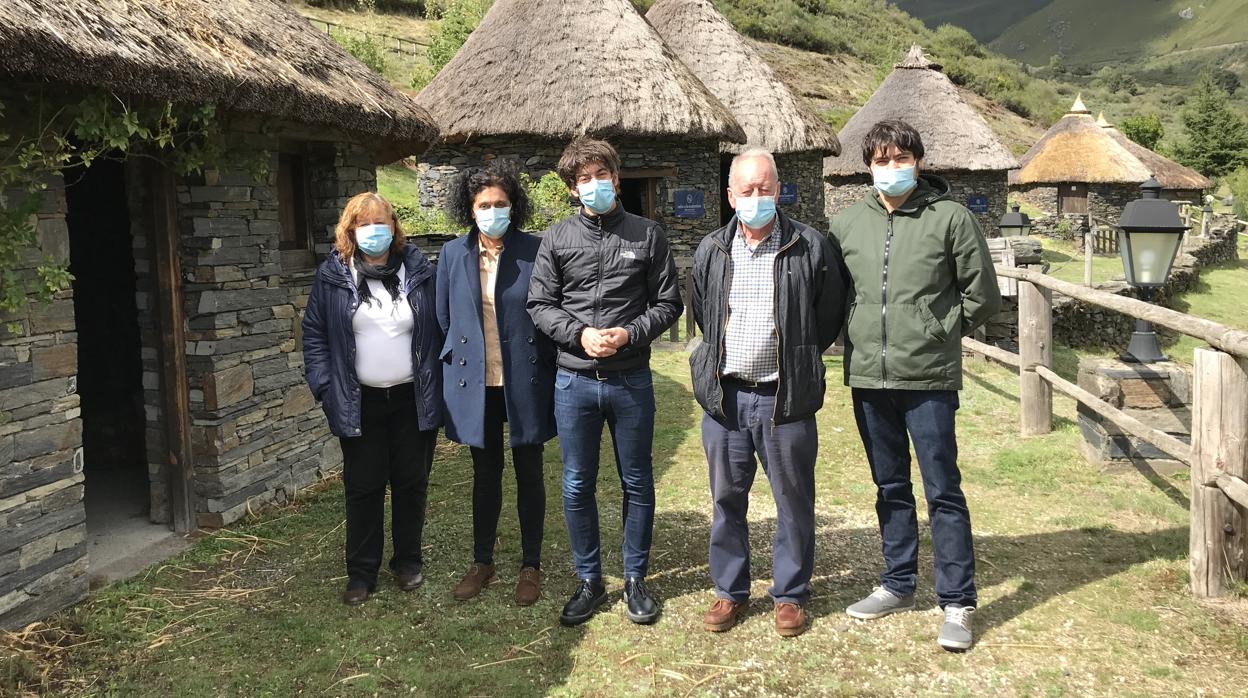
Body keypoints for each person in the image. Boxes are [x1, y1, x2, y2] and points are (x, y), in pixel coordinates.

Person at [830, 119, 1002, 651]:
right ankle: (897, 583)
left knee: (942, 490)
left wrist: (936, 331)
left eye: (901, 158)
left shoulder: (950, 218)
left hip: (928, 377)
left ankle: (957, 601)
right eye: (881, 161)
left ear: (919, 162)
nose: (892, 169)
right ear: (868, 166)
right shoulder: (847, 223)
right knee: (889, 486)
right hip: (868, 377)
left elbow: (983, 296)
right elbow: (834, 294)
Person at [689, 147, 847, 638]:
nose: (755, 197)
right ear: (730, 195)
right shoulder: (712, 249)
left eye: (764, 188)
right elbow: (701, 308)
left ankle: (791, 594)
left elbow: (828, 313)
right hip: (726, 398)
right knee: (726, 499)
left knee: (793, 499)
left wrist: (798, 355)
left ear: (778, 191)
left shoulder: (810, 246)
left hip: (786, 399)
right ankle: (729, 590)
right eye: (746, 190)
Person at [527, 137, 682, 627]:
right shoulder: (556, 239)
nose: (593, 185)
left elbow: (668, 302)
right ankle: (589, 579)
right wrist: (579, 334)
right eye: (583, 179)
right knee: (576, 484)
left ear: (616, 179)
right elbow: (539, 304)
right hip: (573, 383)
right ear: (573, 189)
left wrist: (629, 333)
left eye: (601, 176)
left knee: (637, 480)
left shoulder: (647, 235)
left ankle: (636, 578)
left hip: (631, 379)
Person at [302, 192, 443, 606]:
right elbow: (314, 335)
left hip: (411, 397)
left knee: (410, 481)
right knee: (363, 486)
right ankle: (362, 572)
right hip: (357, 398)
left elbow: (437, 326)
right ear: (350, 231)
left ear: (394, 227)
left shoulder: (418, 271)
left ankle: (407, 562)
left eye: (381, 223)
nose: (374, 231)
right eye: (364, 224)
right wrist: (326, 388)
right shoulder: (333, 276)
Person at [436, 160, 556, 607]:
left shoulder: (536, 250)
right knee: (484, 474)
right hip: (475, 381)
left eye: (500, 203)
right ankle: (482, 561)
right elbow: (443, 319)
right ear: (471, 209)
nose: (492, 211)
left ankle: (531, 564)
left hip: (523, 377)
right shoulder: (451, 254)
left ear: (513, 206)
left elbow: (548, 312)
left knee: (529, 471)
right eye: (484, 204)